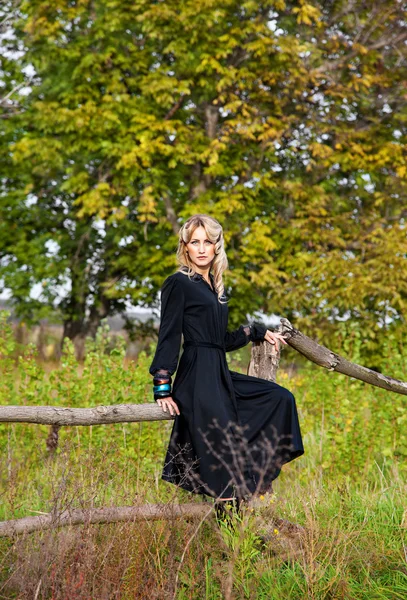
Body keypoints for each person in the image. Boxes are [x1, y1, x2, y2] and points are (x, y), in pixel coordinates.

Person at [149, 214, 304, 504]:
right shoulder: (177, 283)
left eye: (208, 241)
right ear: (185, 248)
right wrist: (162, 385)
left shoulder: (216, 288)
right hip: (197, 378)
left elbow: (220, 341)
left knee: (280, 398)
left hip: (218, 373)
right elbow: (169, 334)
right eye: (195, 242)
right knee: (221, 451)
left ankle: (250, 489)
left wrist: (257, 331)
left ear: (217, 246)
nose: (202, 248)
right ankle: (230, 535)